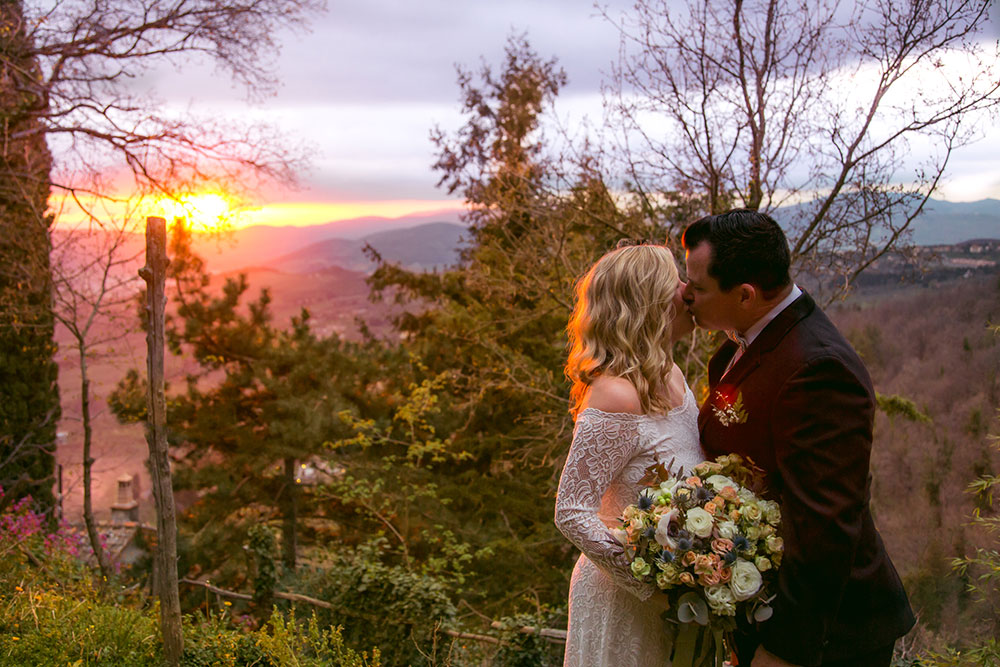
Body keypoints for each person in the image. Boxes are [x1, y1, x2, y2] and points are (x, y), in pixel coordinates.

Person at [680, 209, 915, 667]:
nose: (684, 294)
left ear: (745, 294)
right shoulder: (742, 342)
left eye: (698, 286)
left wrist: (785, 649)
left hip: (829, 636)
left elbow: (825, 524)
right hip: (762, 610)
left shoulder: (818, 370)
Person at [555, 242, 705, 667]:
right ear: (648, 301)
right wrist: (653, 586)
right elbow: (571, 511)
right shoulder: (614, 394)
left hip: (677, 601)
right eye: (675, 281)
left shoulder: (671, 373)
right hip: (623, 602)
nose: (686, 290)